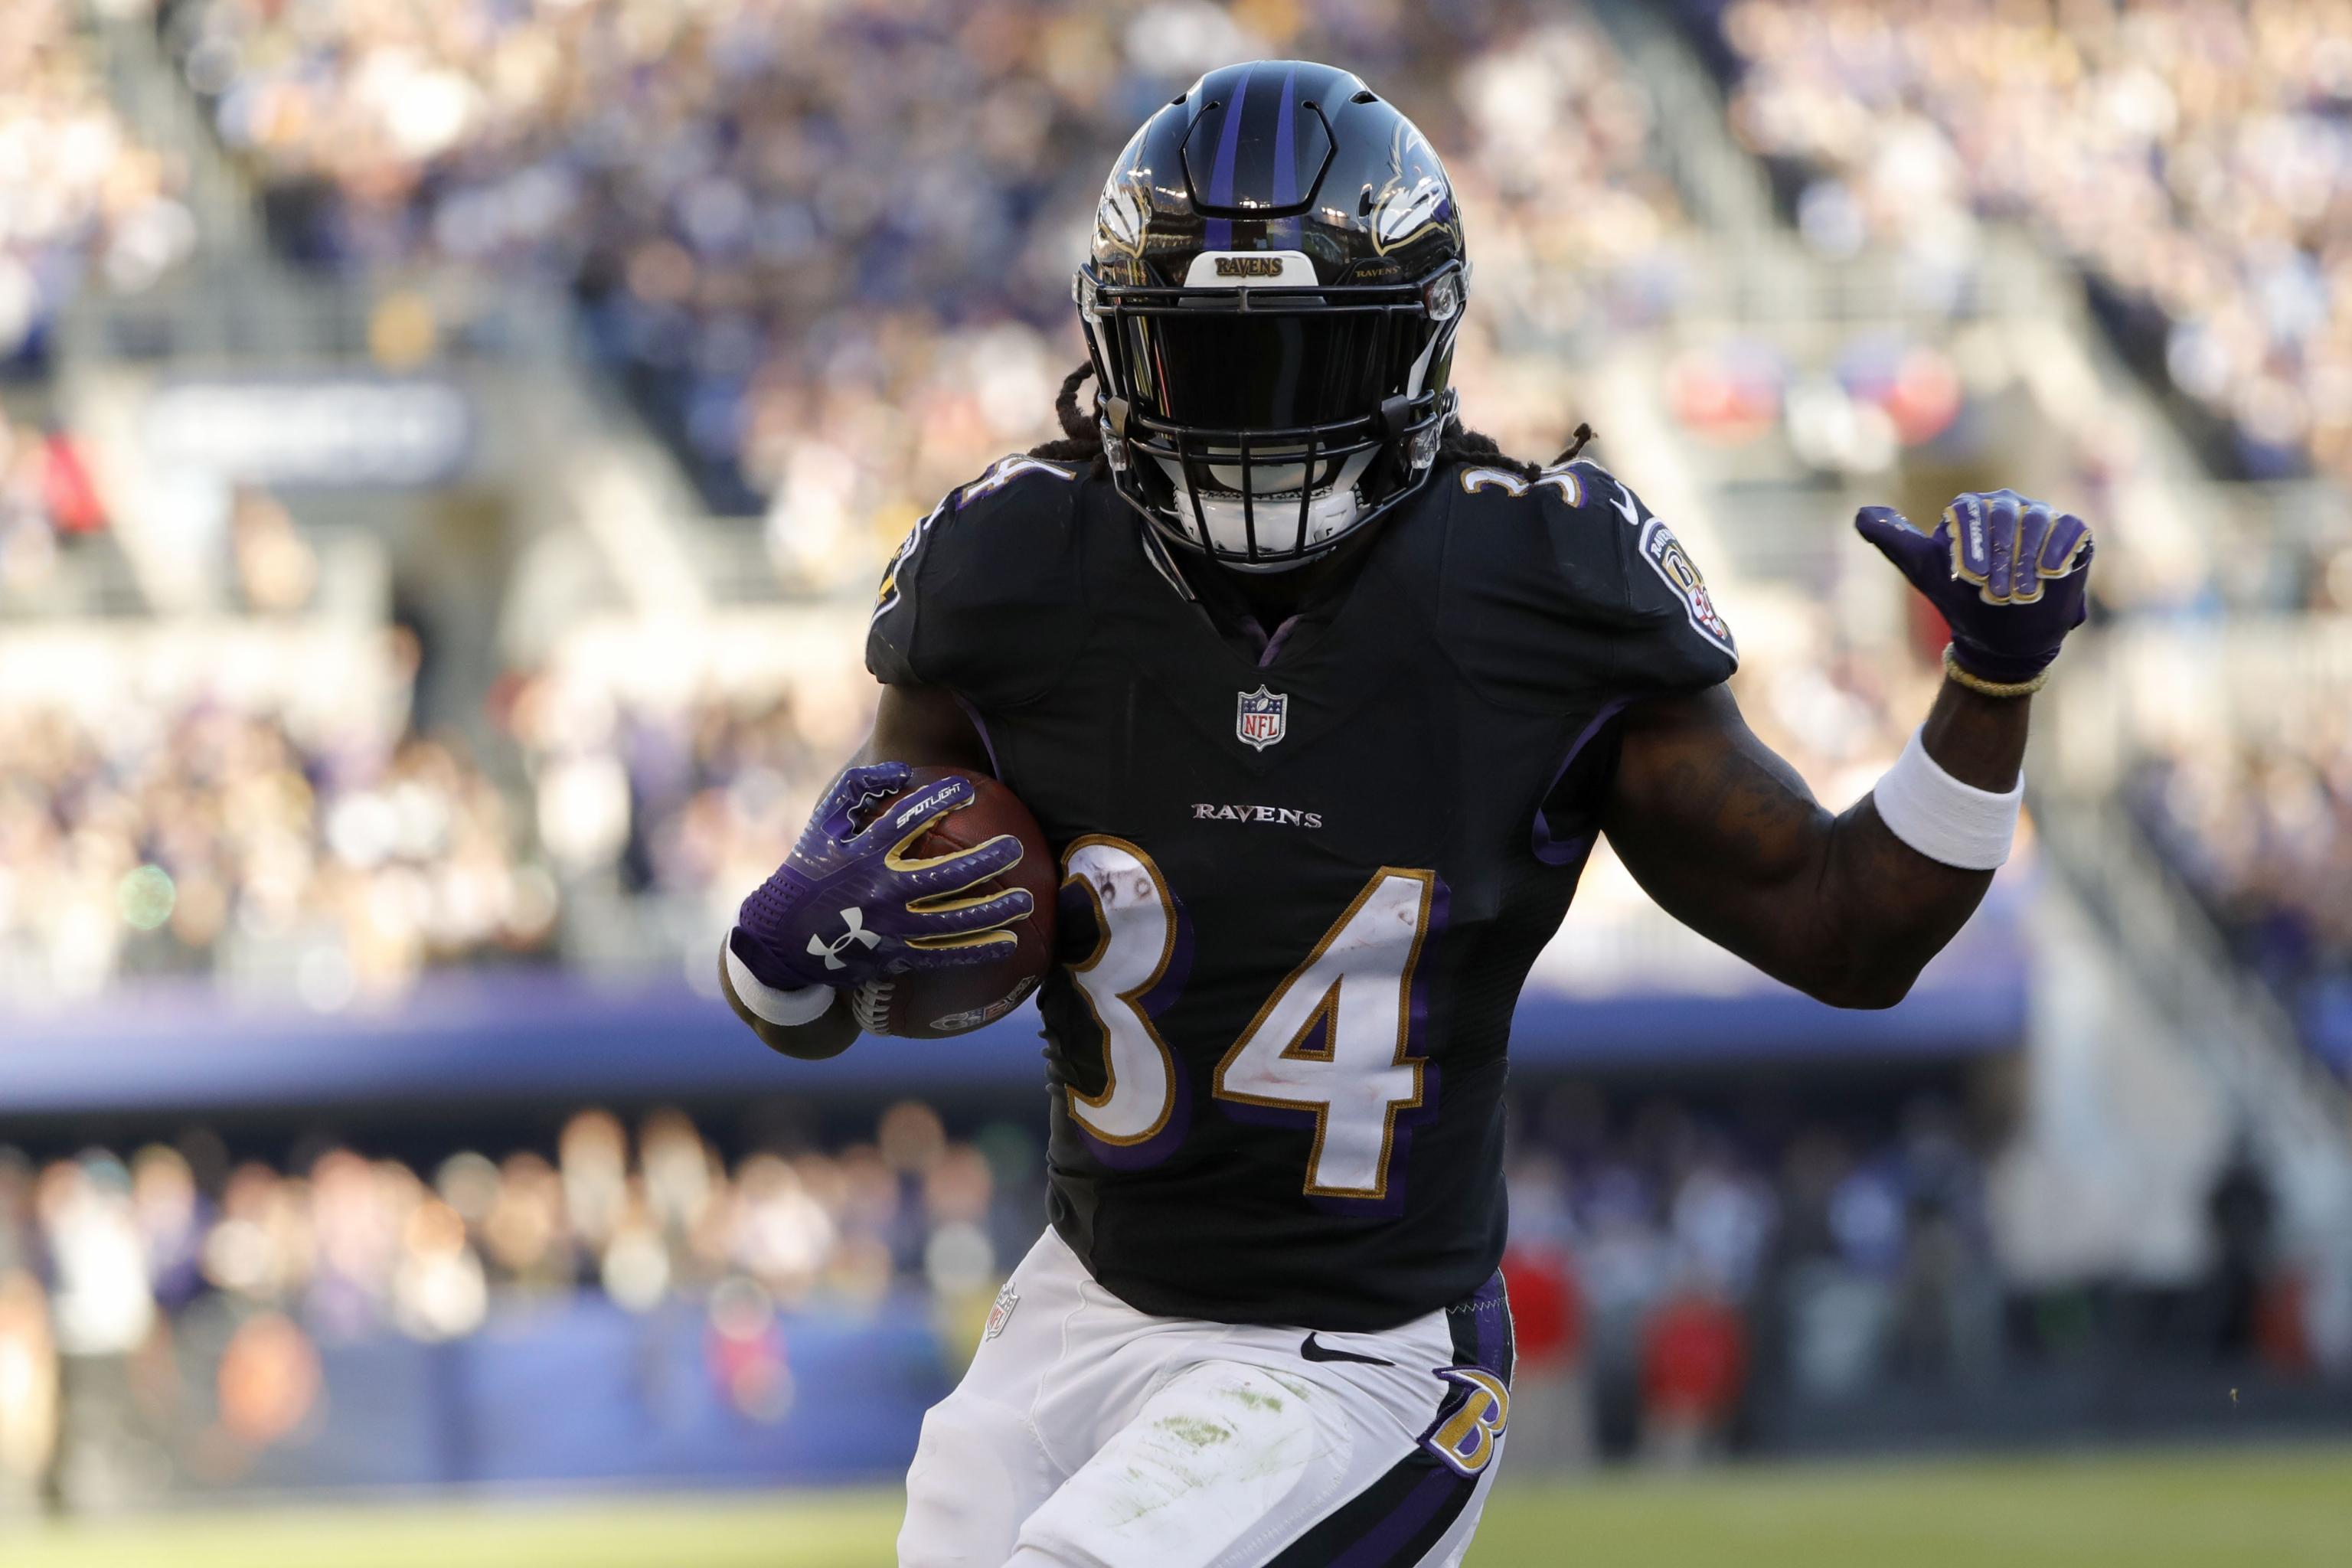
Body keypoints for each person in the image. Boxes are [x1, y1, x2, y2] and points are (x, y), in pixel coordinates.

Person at [717, 61, 2094, 1568]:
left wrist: (1986, 687)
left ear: (1420, 345)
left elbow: (1846, 929)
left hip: (1360, 1358)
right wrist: (780, 953)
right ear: (1117, 349)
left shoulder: (1542, 582)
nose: (1253, 426)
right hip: (1080, 1305)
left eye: (1308, 364)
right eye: (1205, 363)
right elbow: (816, 982)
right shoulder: (1012, 569)